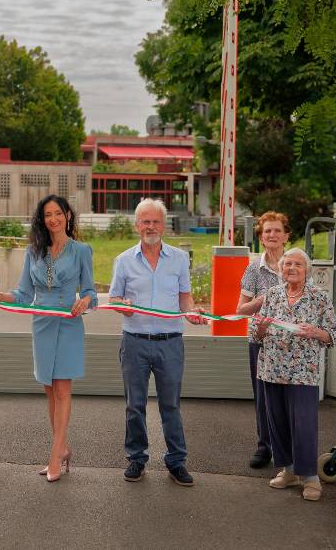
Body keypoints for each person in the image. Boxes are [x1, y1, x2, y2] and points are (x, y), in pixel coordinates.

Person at [0, 194, 96, 482]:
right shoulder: (33, 252)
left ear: (68, 216)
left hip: (69, 325)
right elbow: (24, 294)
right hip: (42, 325)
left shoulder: (82, 250)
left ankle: (54, 456)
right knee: (50, 390)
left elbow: (91, 292)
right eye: (48, 214)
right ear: (43, 219)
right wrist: (5, 296)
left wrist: (85, 300)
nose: (53, 219)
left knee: (62, 389)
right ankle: (62, 447)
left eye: (58, 213)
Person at [108, 199, 203, 487]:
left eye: (156, 221)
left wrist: (192, 312)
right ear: (137, 225)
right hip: (135, 342)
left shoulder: (178, 259)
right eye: (145, 221)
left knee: (170, 405)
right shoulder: (123, 260)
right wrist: (120, 305)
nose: (151, 227)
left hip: (170, 343)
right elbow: (113, 297)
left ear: (164, 225)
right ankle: (136, 458)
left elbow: (185, 297)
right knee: (134, 405)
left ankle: (176, 461)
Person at [254, 248, 336, 502]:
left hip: (303, 373)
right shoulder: (271, 295)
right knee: (277, 423)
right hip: (271, 370)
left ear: (307, 271)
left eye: (297, 265)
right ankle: (289, 470)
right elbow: (255, 334)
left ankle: (310, 477)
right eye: (287, 264)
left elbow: (334, 335)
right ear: (281, 269)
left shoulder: (319, 297)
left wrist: (316, 332)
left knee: (303, 424)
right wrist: (261, 327)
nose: (291, 268)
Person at [235, 211, 289, 469]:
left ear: (286, 235)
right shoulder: (254, 269)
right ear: (261, 236)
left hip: (291, 345)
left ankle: (286, 448)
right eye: (267, 231)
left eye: (277, 230)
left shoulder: (296, 265)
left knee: (289, 397)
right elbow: (239, 309)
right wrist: (259, 302)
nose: (272, 235)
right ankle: (264, 446)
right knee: (263, 397)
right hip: (260, 342)